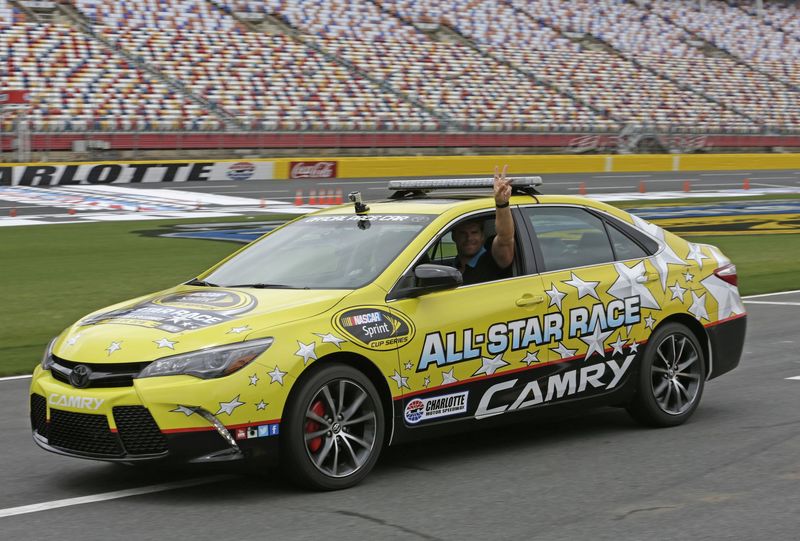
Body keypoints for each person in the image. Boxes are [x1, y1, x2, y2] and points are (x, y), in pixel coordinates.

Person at [452, 165, 515, 285]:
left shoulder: (493, 258)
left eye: (474, 232)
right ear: (453, 236)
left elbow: (505, 238)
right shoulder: (452, 267)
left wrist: (501, 204)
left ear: (482, 235)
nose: (469, 238)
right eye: (463, 233)